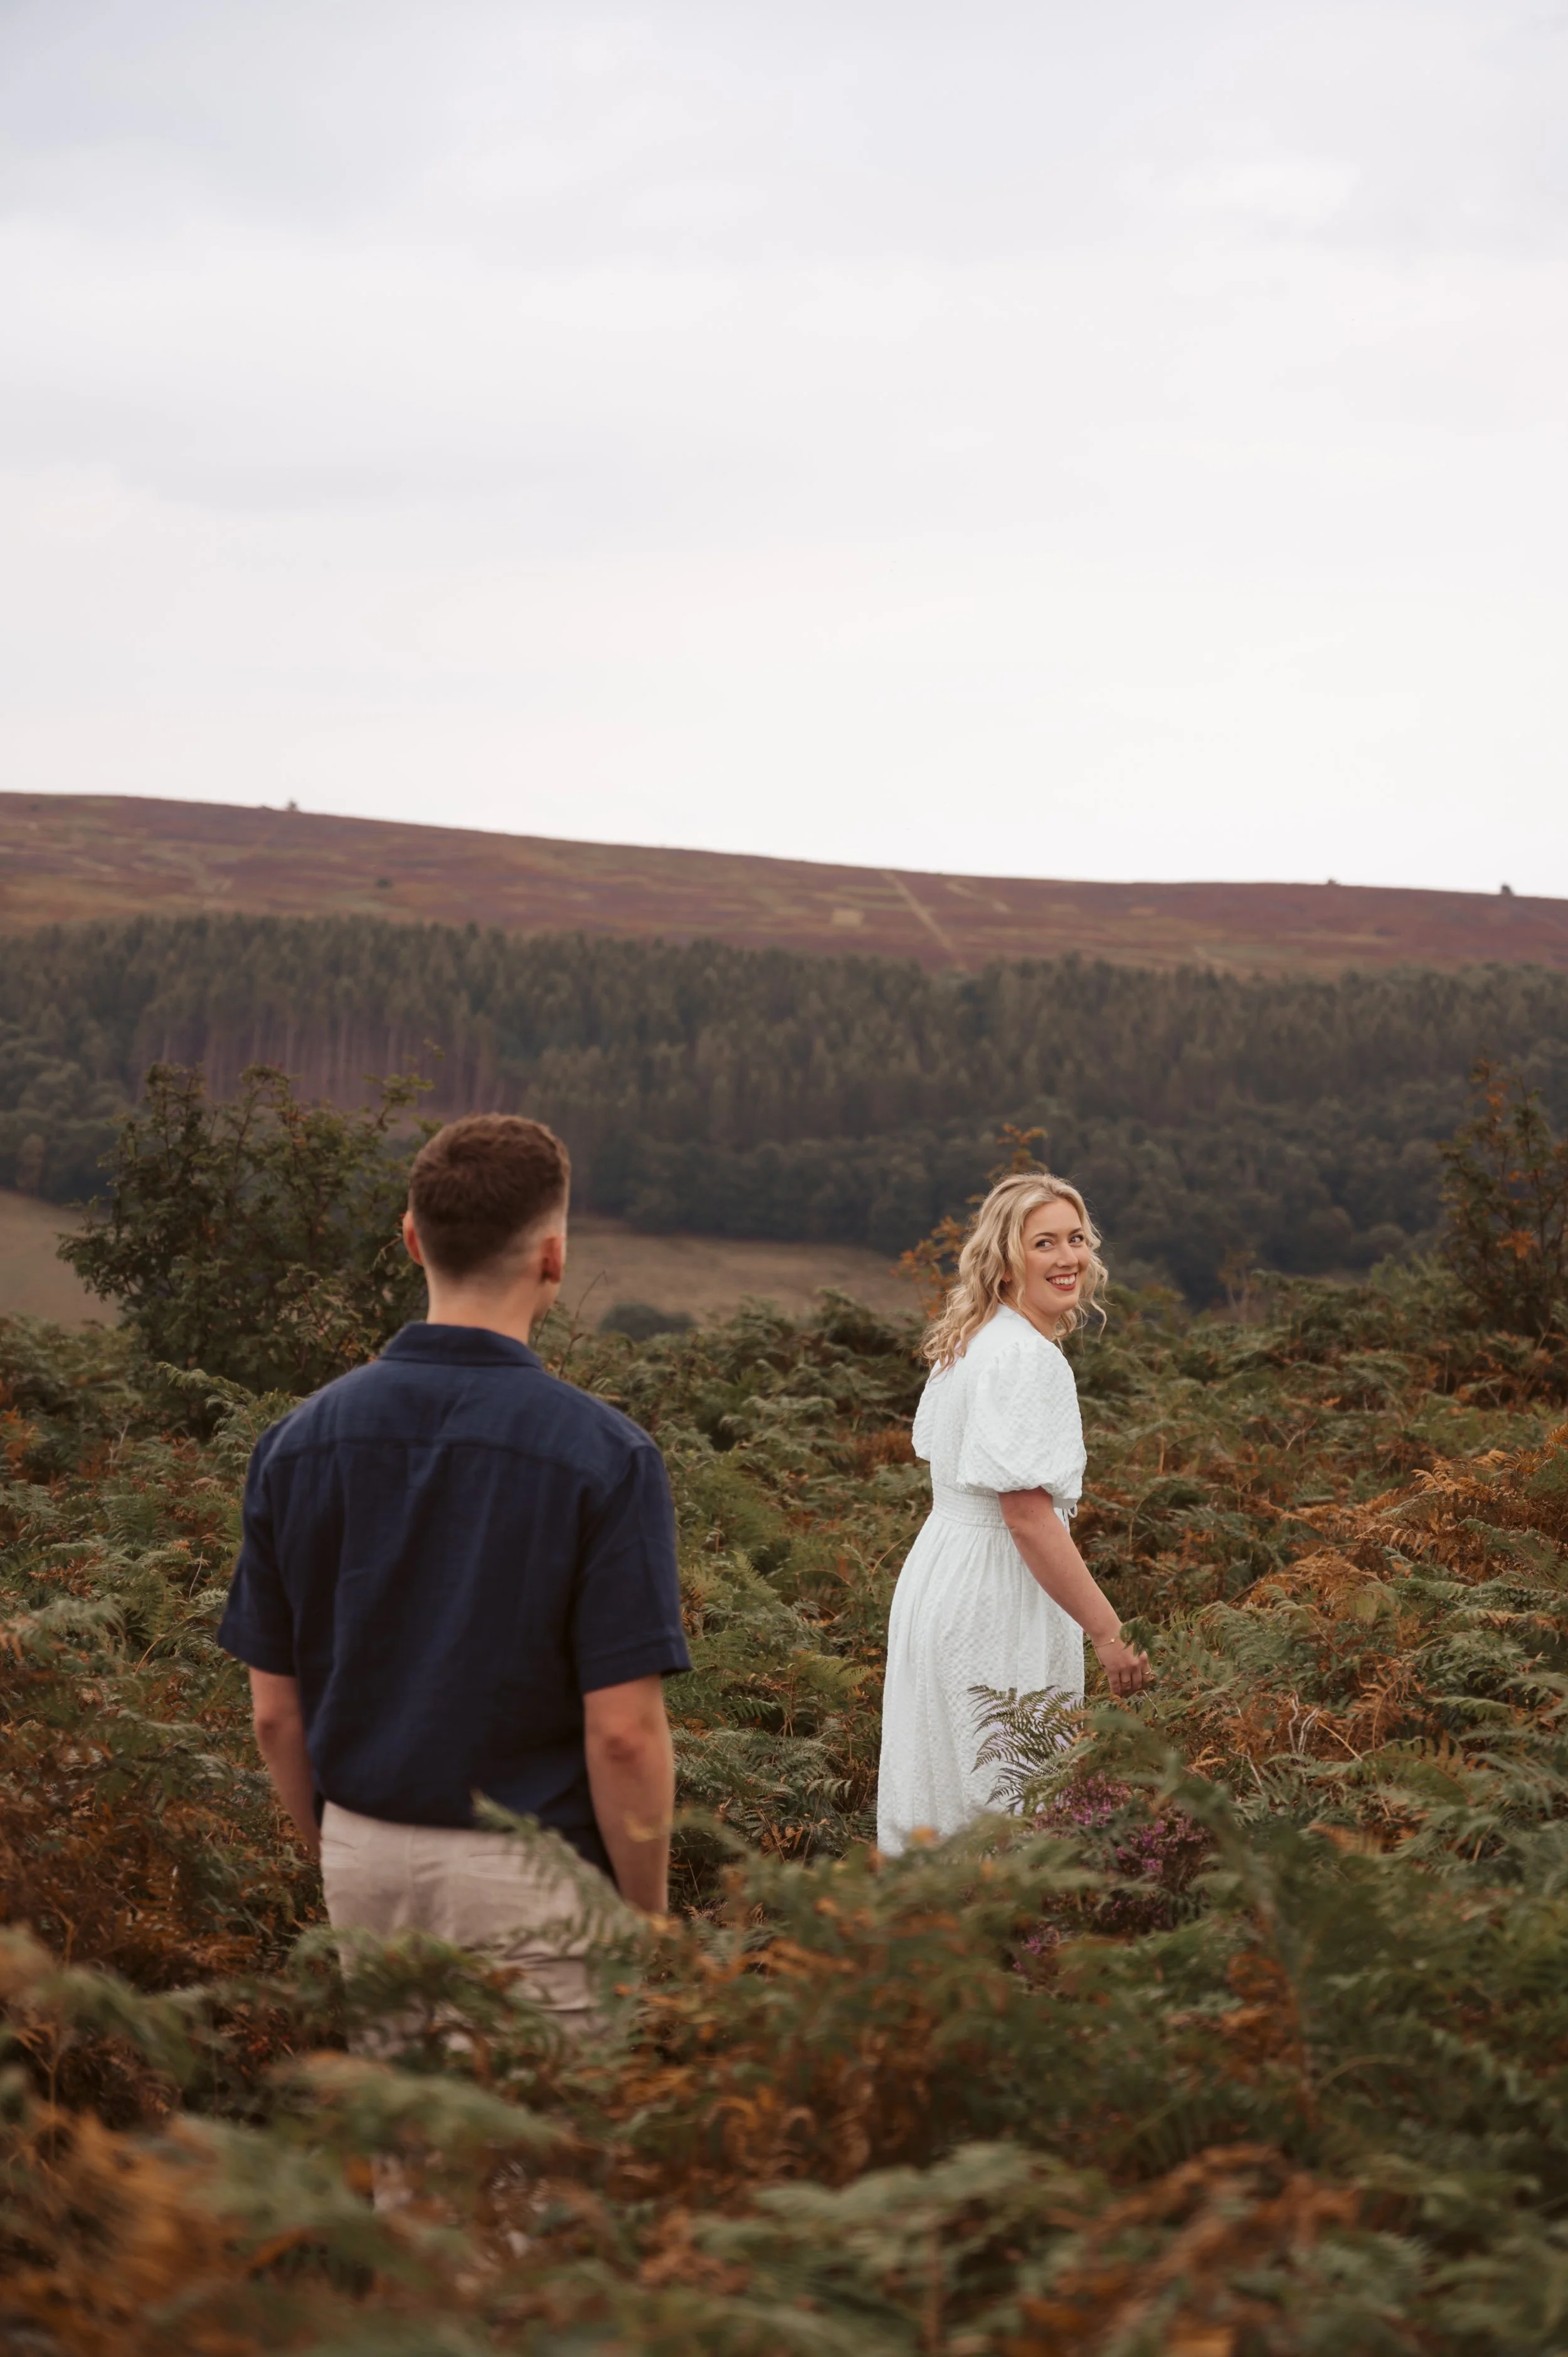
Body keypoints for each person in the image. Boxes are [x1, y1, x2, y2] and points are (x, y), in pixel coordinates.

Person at [218, 1113, 691, 2031]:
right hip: (536, 1870)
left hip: (361, 1856)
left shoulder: (296, 1443)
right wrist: (647, 1920)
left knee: (411, 2166)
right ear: (553, 1257)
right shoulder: (606, 1456)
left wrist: (343, 1846)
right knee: (539, 2165)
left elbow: (275, 1712)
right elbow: (626, 1735)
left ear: (410, 1237)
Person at [876, 1171, 1150, 1855]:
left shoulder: (971, 1340)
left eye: (1076, 1239)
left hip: (943, 1569)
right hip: (993, 1589)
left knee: (940, 1781)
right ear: (1005, 1259)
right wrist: (1107, 1632)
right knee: (1004, 1792)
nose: (1068, 1258)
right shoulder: (1025, 1357)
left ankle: (926, 1937)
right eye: (1044, 1243)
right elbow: (1027, 1517)